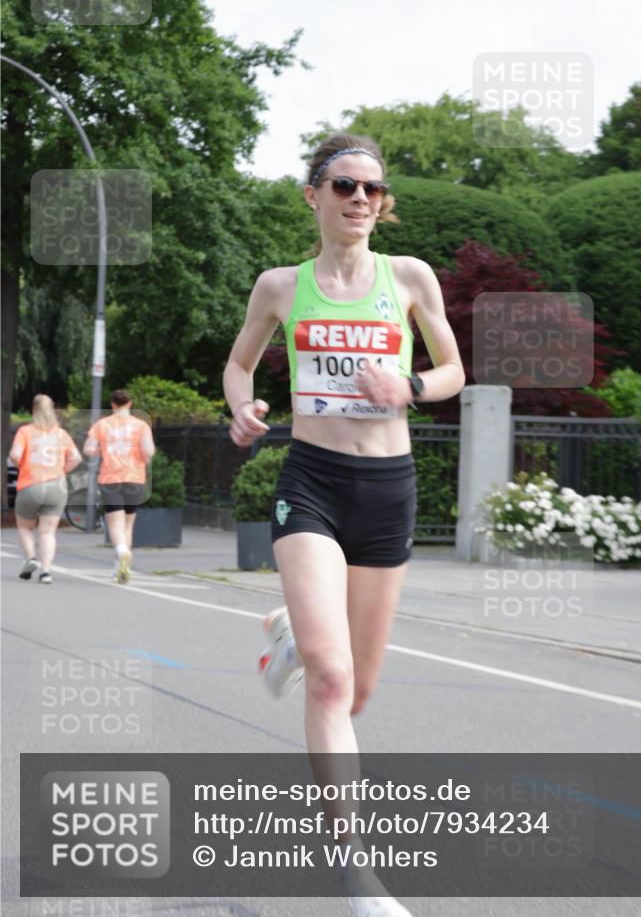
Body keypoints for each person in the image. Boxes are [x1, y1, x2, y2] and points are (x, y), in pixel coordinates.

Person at [224, 134, 466, 917]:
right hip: (313, 483)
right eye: (344, 185)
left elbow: (455, 370)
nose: (361, 199)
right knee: (330, 682)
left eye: (372, 189)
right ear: (313, 195)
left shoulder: (408, 278)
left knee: (357, 691)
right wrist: (242, 406)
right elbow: (239, 363)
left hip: (388, 488)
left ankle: (290, 633)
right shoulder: (279, 287)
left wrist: (412, 384)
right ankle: (357, 877)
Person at [83, 389, 155, 584]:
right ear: (129, 404)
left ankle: (122, 552)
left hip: (110, 478)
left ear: (113, 405)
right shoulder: (141, 425)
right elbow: (149, 452)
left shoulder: (102, 425)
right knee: (128, 524)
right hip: (135, 477)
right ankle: (122, 567)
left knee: (114, 524)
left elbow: (88, 449)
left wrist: (102, 450)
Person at [9, 394, 82, 584]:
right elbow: (76, 458)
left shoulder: (25, 431)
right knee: (48, 532)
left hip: (30, 484)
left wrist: (23, 466)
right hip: (56, 486)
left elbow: (15, 455)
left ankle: (31, 558)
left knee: (25, 527)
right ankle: (46, 571)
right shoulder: (61, 434)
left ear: (33, 410)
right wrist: (61, 471)